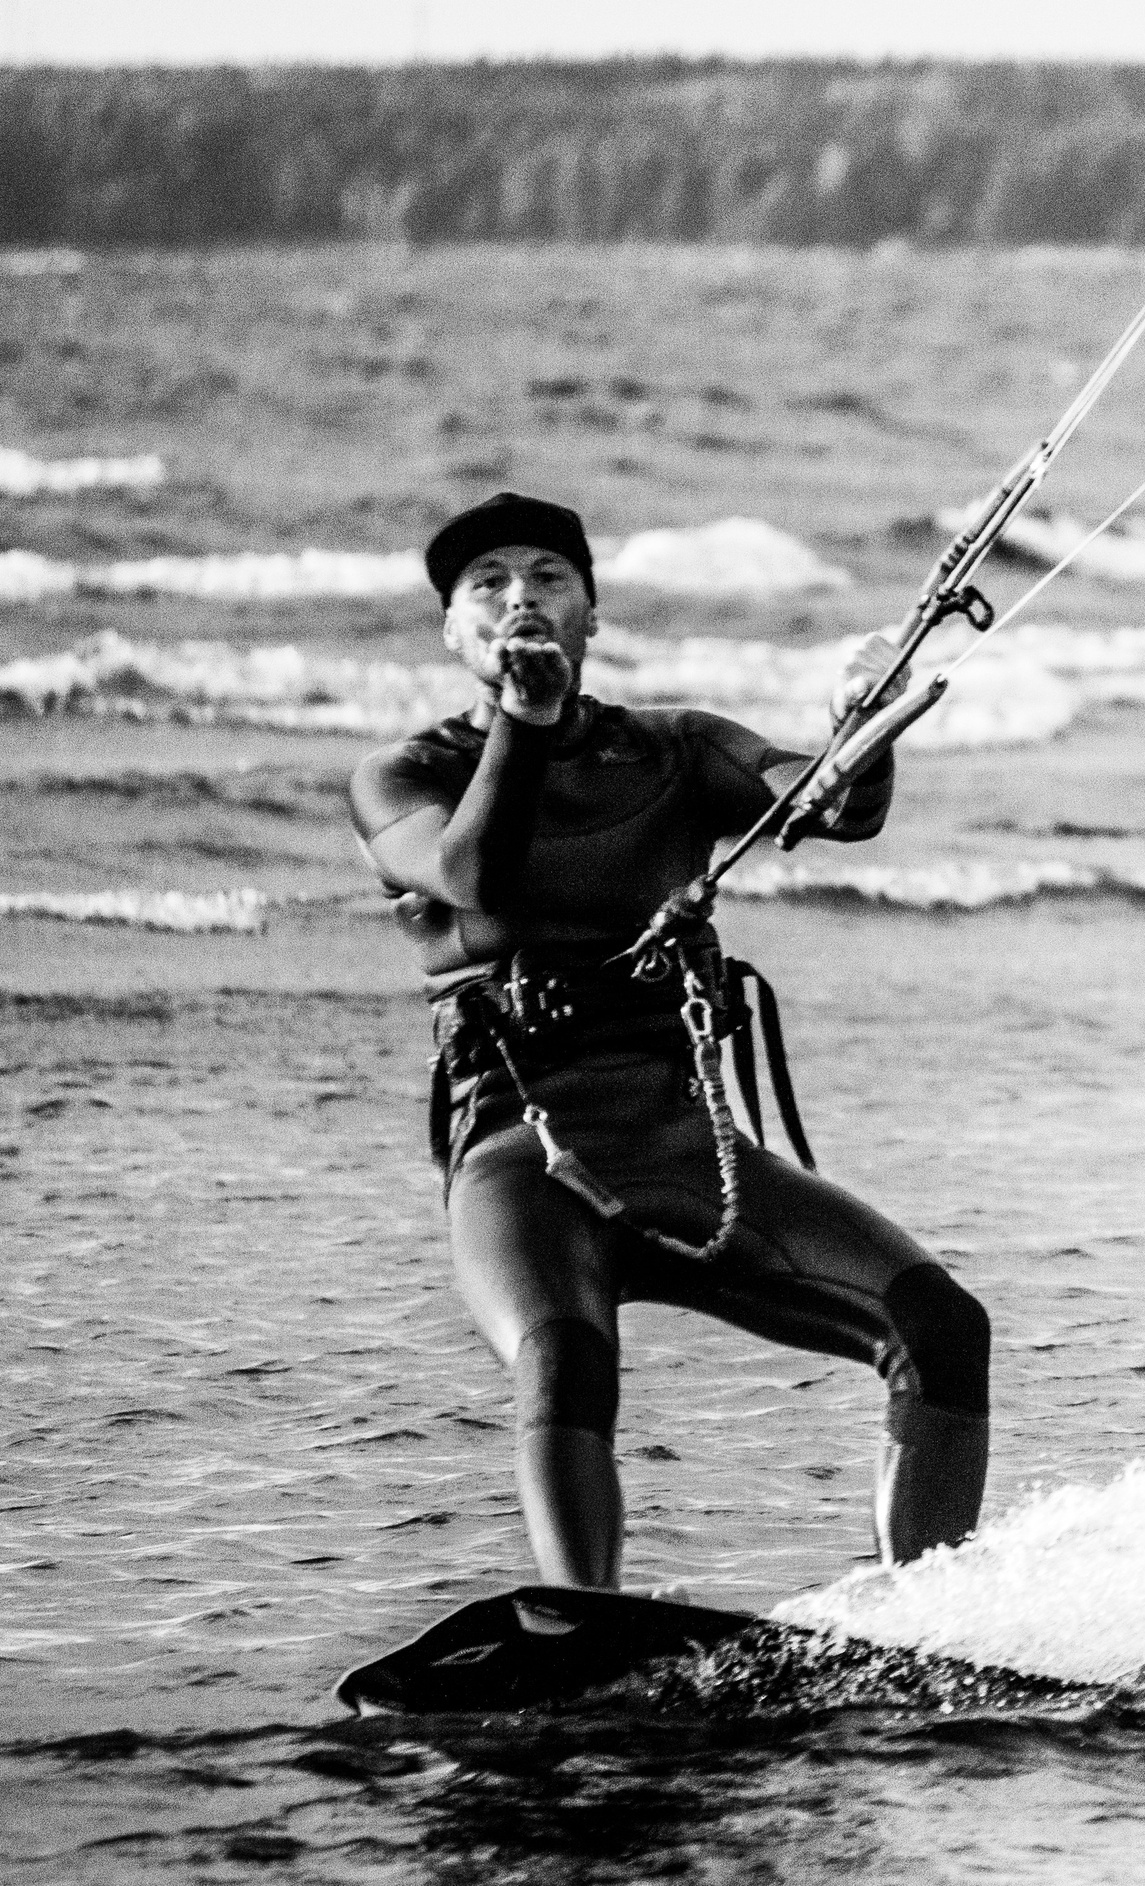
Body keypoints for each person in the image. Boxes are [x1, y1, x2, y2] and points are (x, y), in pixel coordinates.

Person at [349, 490, 987, 1590]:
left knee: (940, 1323)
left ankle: (929, 1610)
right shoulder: (402, 776)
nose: (520, 598)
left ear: (593, 613)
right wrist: (525, 722)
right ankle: (583, 1616)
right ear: (452, 632)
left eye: (548, 579)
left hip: (690, 1144)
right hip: (523, 1156)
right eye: (487, 586)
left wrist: (863, 733)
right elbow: (473, 878)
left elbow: (826, 805)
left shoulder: (678, 749)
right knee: (565, 1356)